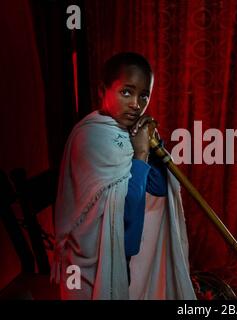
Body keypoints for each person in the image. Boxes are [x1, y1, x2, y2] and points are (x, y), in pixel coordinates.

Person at [51, 52, 196, 300]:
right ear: (102, 90)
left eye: (144, 95)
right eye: (126, 92)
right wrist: (140, 152)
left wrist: (152, 147)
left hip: (121, 258)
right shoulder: (91, 138)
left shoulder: (129, 132)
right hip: (88, 265)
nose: (136, 105)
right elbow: (127, 223)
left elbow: (159, 189)